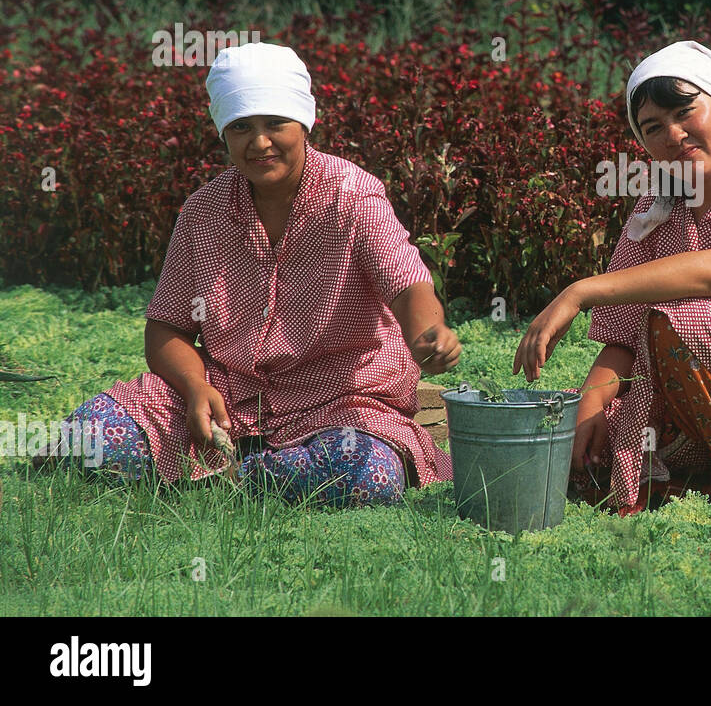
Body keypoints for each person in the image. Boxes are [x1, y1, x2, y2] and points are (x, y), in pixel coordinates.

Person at [33, 42, 462, 506]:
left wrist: (427, 332)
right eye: (241, 127)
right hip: (228, 395)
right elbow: (167, 327)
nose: (259, 143)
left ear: (304, 123)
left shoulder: (352, 194)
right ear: (224, 134)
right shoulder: (204, 212)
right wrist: (196, 389)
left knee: (365, 474)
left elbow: (405, 280)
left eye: (275, 123)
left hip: (342, 400)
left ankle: (225, 474)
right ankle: (249, 471)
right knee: (87, 439)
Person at [513, 40, 711, 511]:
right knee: (560, 434)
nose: (672, 133)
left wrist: (579, 292)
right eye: (652, 127)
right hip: (681, 409)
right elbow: (625, 335)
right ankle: (690, 479)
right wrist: (589, 411)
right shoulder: (657, 208)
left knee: (692, 315)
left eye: (685, 111)